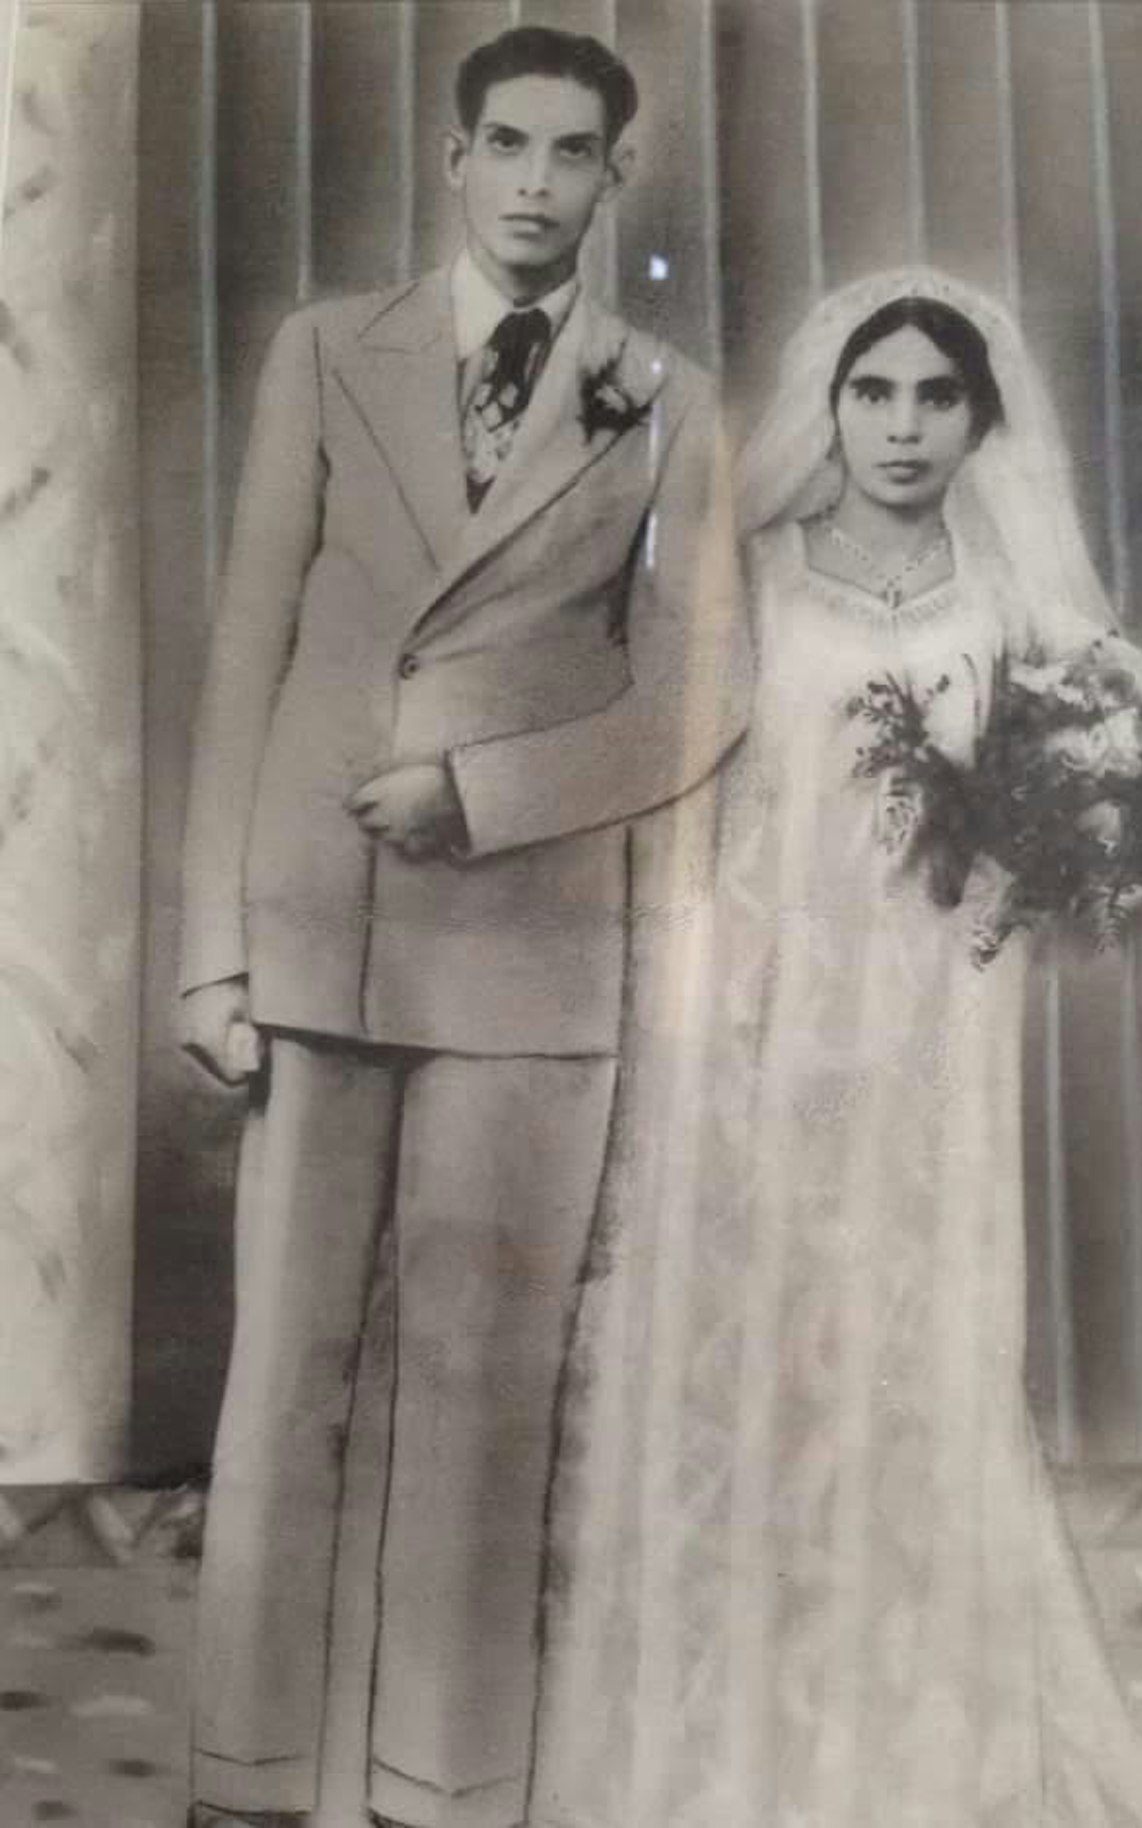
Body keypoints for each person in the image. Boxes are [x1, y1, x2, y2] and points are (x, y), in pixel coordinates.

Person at [525, 268, 1142, 1827]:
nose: (905, 425)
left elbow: (1111, 810)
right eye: (877, 394)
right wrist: (687, 1006)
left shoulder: (1017, 609)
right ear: (832, 407)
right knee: (750, 1354)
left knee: (909, 1354)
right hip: (750, 1026)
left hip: (932, 1033)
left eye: (939, 397)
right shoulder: (757, 576)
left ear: (982, 420)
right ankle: (728, 1738)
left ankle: (914, 1743)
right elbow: (682, 807)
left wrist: (1053, 865)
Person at [177, 25, 748, 1828]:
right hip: (320, 922)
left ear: (612, 180)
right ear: (452, 158)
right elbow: (249, 641)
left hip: (528, 945)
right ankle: (246, 1786)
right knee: (286, 1384)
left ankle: (447, 1791)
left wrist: (487, 795)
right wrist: (214, 948)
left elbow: (700, 696)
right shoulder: (323, 352)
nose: (532, 182)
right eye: (504, 144)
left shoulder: (670, 398)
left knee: (485, 1390)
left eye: (571, 154)